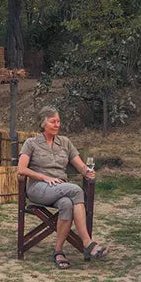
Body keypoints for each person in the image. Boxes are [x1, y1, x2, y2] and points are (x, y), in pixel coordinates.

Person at [16, 107, 106, 269]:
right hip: (38, 188)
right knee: (76, 190)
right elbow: (21, 169)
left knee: (66, 204)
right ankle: (87, 242)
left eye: (58, 121)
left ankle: (58, 252)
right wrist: (44, 177)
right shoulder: (31, 143)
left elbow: (81, 166)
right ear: (43, 124)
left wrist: (87, 172)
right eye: (53, 122)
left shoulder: (65, 142)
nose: (57, 125)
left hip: (60, 188)